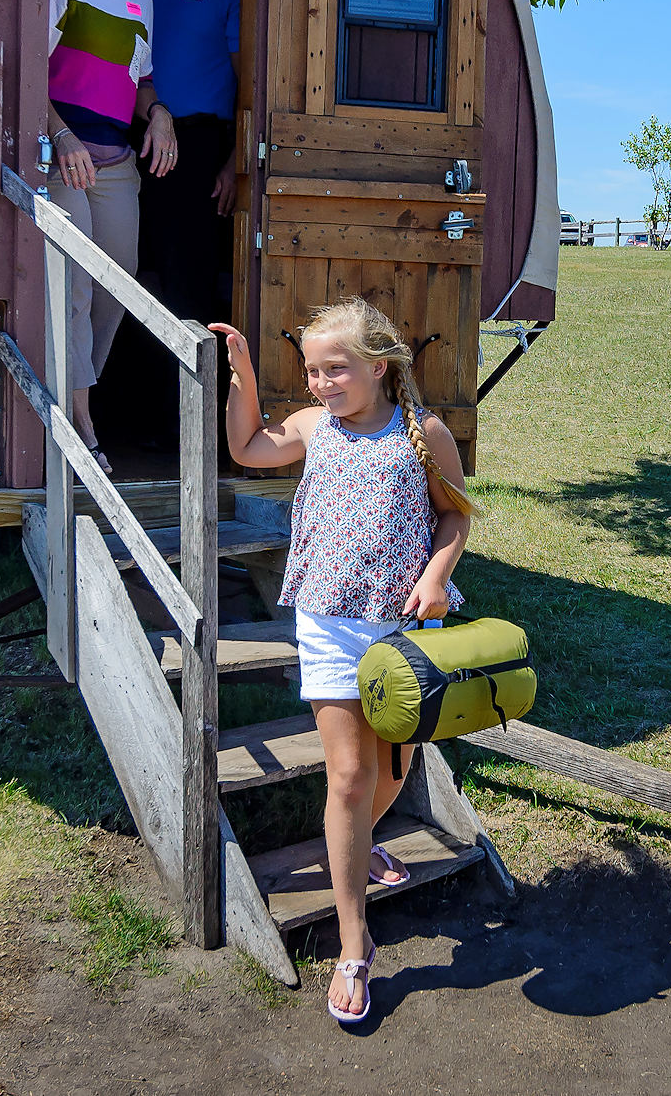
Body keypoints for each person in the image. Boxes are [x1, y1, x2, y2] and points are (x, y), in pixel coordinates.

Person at [207, 298, 476, 1026]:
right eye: (312, 370)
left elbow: (455, 515)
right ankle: (355, 940)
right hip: (327, 625)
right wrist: (242, 377)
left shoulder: (423, 436)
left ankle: (352, 845)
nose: (321, 382)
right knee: (351, 775)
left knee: (396, 768)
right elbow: (249, 448)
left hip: (403, 631)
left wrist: (436, 573)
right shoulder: (313, 427)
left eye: (336, 369)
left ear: (379, 367)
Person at [48, 0, 179, 470]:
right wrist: (61, 135)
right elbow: (28, 69)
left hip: (116, 157)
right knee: (73, 286)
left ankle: (78, 391)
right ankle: (82, 423)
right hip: (64, 155)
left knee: (116, 285)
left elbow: (138, 80)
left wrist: (160, 117)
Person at [141, 0, 240, 323]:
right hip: (134, 138)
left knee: (189, 285)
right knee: (132, 274)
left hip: (199, 149)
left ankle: (188, 394)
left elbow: (252, 79)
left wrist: (235, 160)